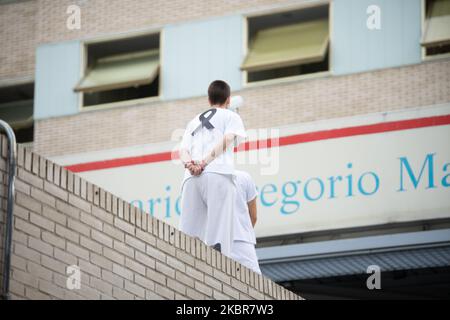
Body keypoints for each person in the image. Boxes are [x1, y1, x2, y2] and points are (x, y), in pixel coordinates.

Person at [179, 80, 246, 257]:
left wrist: (191, 165)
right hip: (218, 173)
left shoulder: (193, 121)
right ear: (229, 100)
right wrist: (204, 162)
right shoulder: (231, 116)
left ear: (209, 99)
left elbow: (183, 150)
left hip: (190, 178)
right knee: (219, 236)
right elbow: (227, 140)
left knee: (188, 235)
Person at [231, 170, 261, 274]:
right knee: (255, 285)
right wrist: (243, 230)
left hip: (214, 243)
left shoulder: (201, 179)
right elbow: (254, 216)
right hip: (243, 244)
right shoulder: (244, 177)